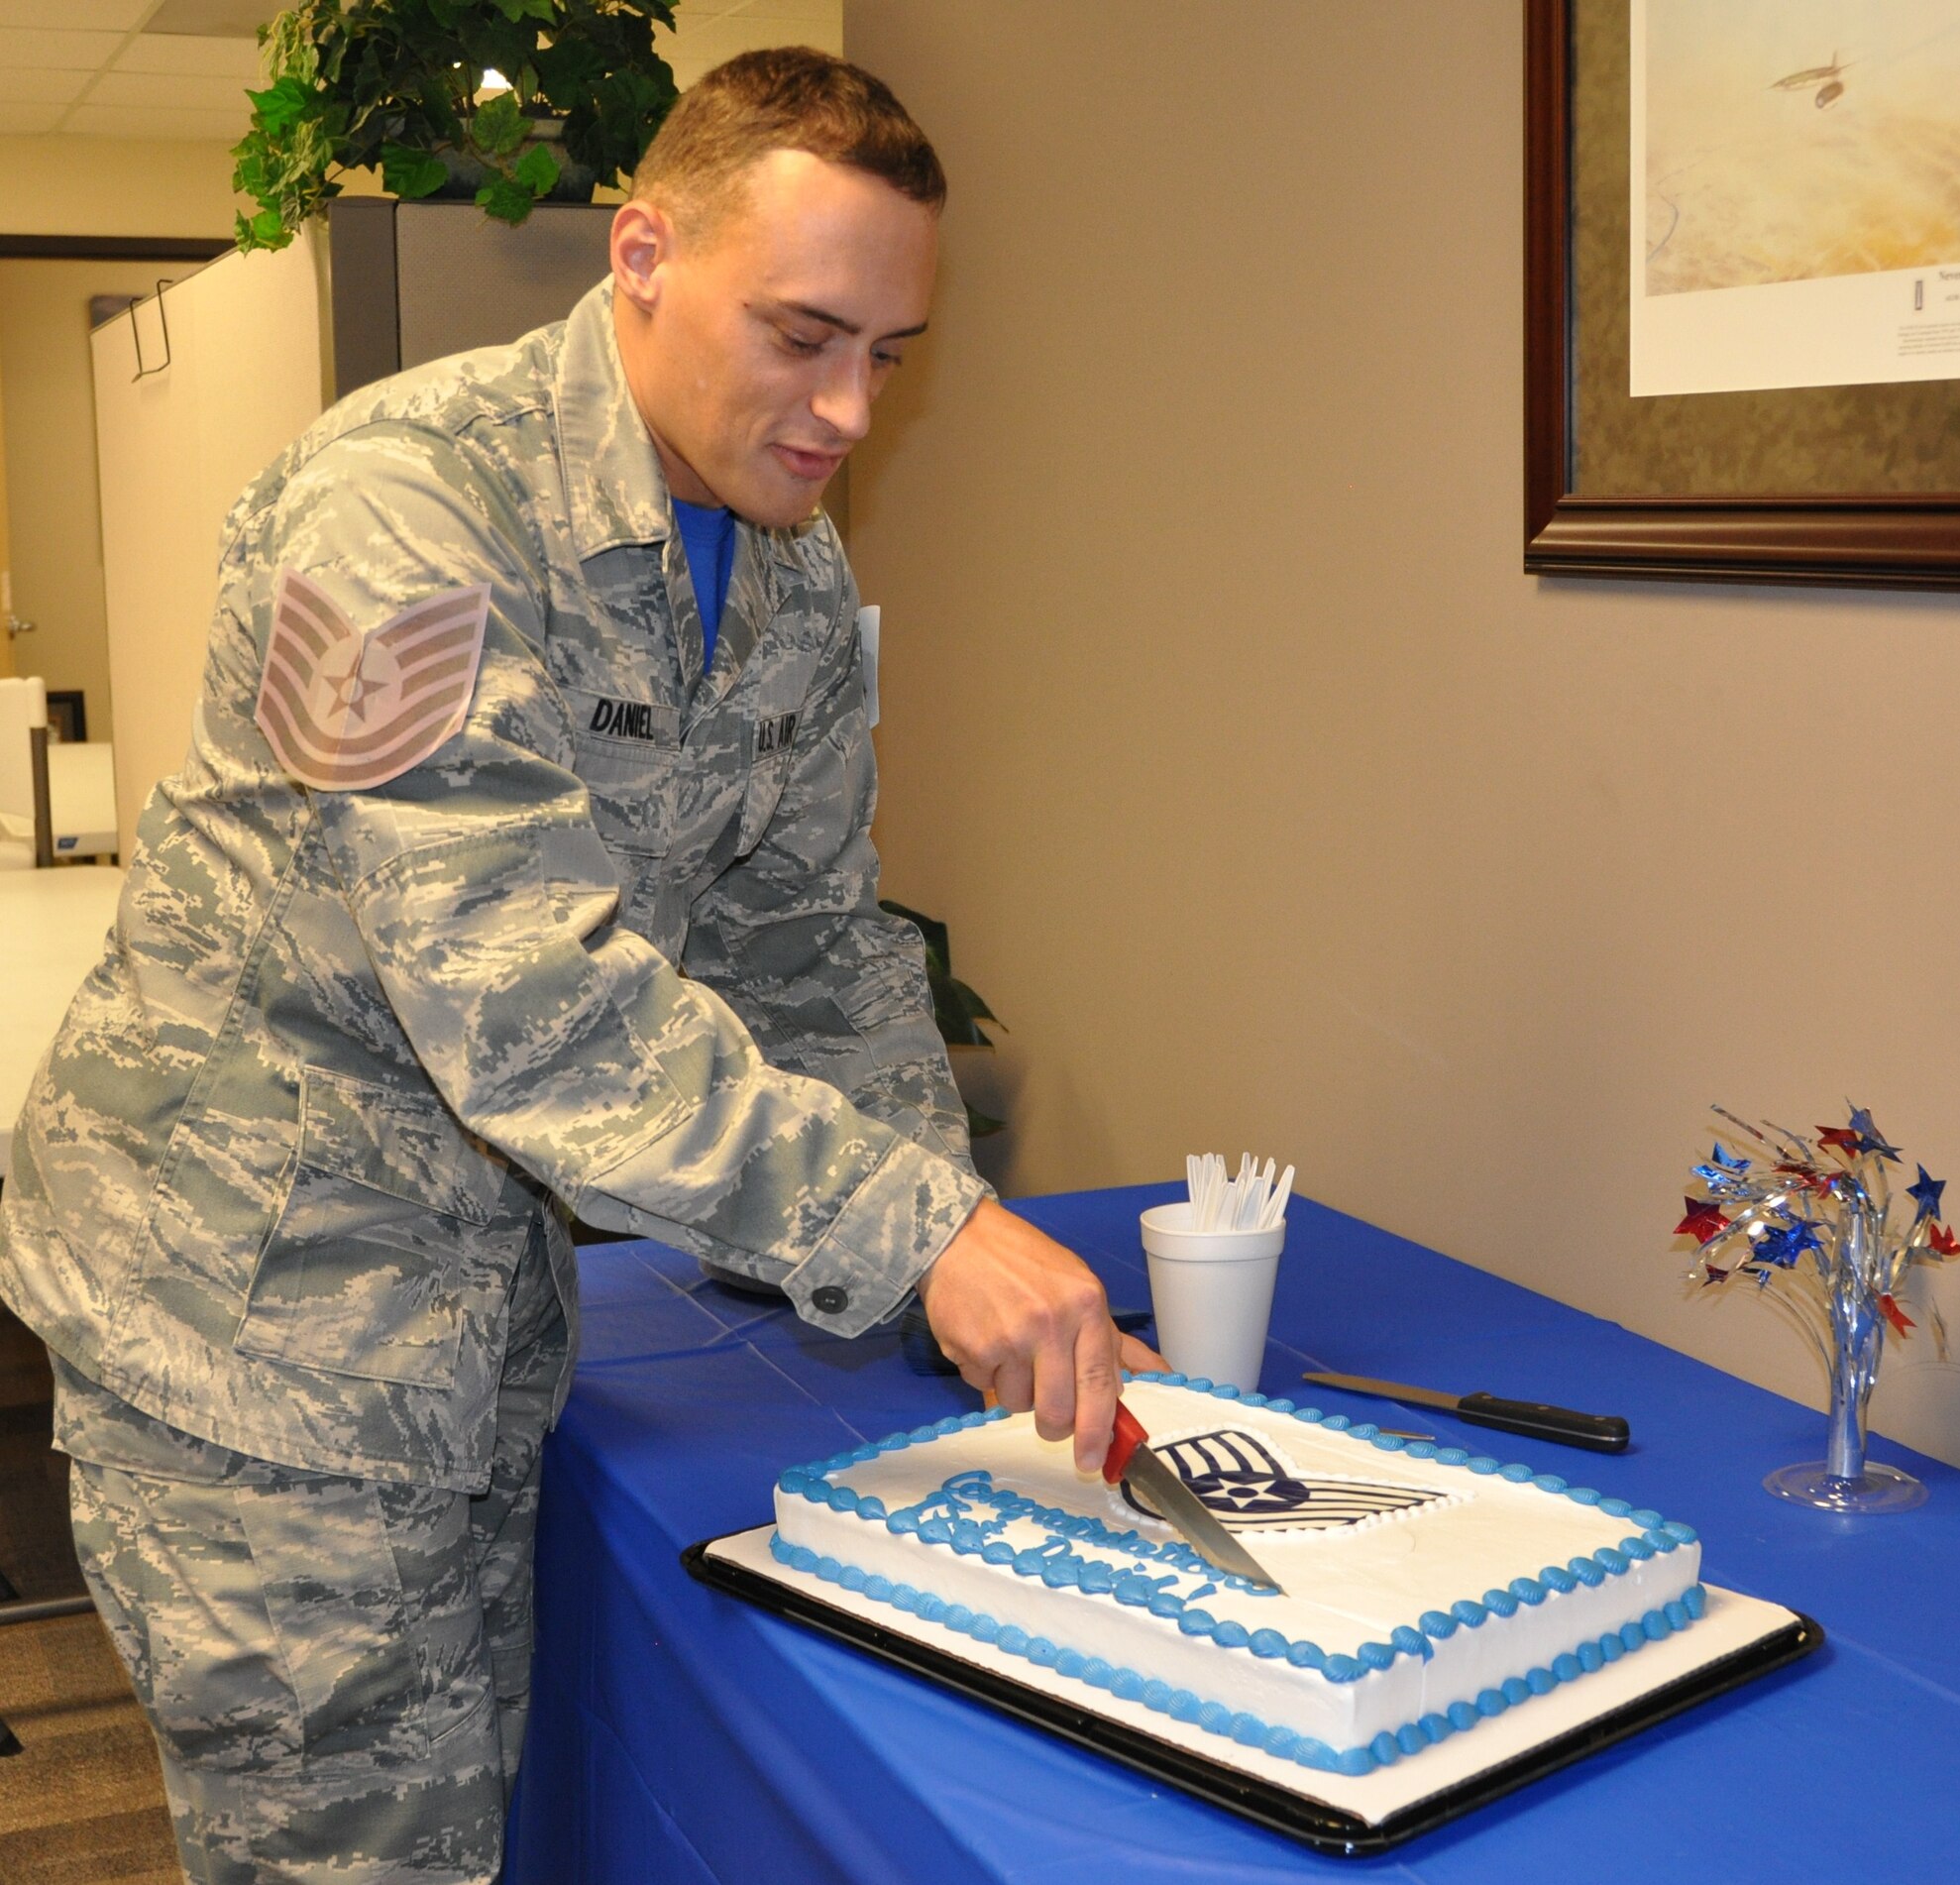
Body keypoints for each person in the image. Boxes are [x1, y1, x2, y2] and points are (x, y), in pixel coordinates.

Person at [0, 49, 1156, 1884]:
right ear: (639, 254)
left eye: (890, 356)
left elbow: (813, 942)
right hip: (254, 1344)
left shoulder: (780, 563)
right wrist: (923, 1239)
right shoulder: (399, 513)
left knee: (476, 1834)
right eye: (803, 335)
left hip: (471, 1326)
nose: (849, 407)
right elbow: (521, 1003)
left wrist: (951, 1241)